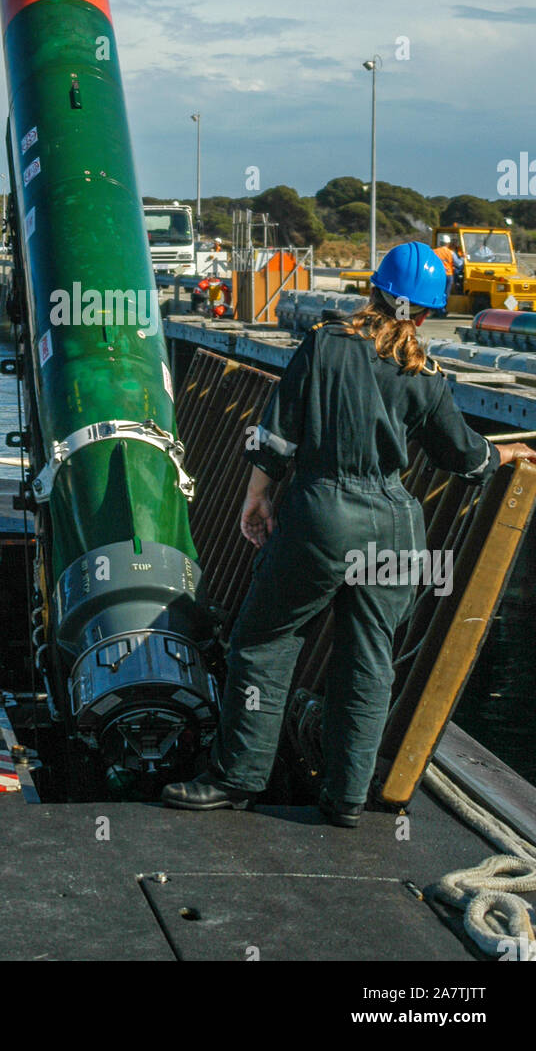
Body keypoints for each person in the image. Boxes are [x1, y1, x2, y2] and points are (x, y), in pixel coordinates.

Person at [162, 241, 534, 825]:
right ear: (429, 312)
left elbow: (276, 434)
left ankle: (237, 778)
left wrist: (256, 497)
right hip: (395, 527)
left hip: (323, 516)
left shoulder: (327, 344)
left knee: (262, 643)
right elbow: (465, 458)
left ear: (375, 292)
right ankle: (347, 797)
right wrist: (505, 451)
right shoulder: (426, 373)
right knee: (368, 659)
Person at [433, 232, 463, 315]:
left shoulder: (434, 252)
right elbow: (459, 264)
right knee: (445, 293)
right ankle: (442, 310)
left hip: (437, 275)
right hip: (448, 275)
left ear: (440, 243)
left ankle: (436, 310)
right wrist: (463, 258)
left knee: (437, 293)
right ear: (448, 243)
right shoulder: (451, 252)